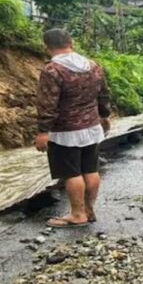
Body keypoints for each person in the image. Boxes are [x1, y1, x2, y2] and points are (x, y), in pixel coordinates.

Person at [34, 28, 112, 228]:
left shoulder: (52, 70)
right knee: (90, 169)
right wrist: (104, 116)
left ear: (47, 47)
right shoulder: (93, 66)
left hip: (65, 132)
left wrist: (43, 131)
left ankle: (77, 214)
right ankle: (88, 209)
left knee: (71, 173)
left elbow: (47, 103)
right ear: (72, 44)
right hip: (92, 127)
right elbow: (103, 94)